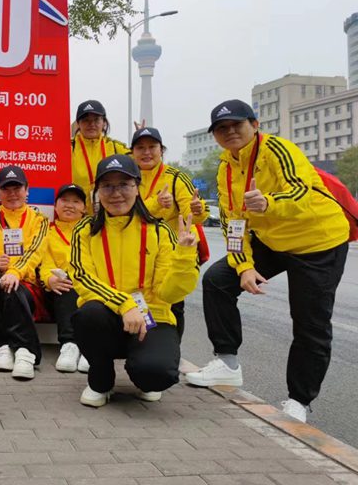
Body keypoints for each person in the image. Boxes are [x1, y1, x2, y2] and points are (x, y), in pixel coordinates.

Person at [185, 100, 350, 423]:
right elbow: (233, 223)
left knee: (310, 323)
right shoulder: (225, 167)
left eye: (237, 125)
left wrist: (269, 203)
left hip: (318, 241)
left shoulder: (277, 150)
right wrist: (244, 266)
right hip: (273, 241)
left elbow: (302, 191)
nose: (230, 132)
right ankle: (227, 363)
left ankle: (298, 401)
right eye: (221, 128)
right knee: (218, 280)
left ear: (255, 124)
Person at [69, 154, 199, 407]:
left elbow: (169, 293)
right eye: (107, 186)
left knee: (157, 375)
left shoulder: (160, 231)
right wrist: (125, 304)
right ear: (97, 192)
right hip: (107, 315)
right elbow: (82, 276)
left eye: (124, 185)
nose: (116, 193)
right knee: (88, 314)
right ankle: (101, 380)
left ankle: (142, 369)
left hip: (152, 318)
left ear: (137, 188)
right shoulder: (85, 230)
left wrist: (184, 256)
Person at [130, 126, 209, 338]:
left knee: (173, 303)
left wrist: (197, 209)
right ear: (132, 152)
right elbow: (126, 213)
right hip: (136, 251)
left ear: (161, 150)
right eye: (140, 148)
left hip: (171, 252)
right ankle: (141, 345)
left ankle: (171, 348)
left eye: (152, 147)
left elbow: (191, 215)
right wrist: (156, 203)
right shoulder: (127, 177)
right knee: (138, 300)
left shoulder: (175, 178)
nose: (147, 152)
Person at [0, 165, 49, 380]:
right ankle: (4, 348)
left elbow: (35, 252)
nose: (12, 193)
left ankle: (23, 351)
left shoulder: (39, 220)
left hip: (25, 286)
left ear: (27, 190)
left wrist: (14, 272)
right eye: (6, 189)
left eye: (17, 188)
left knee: (13, 288)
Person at [39, 184, 89, 373]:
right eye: (65, 200)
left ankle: (90, 347)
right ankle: (70, 345)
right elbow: (45, 264)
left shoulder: (92, 231)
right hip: (61, 291)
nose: (69, 205)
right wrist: (49, 280)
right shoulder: (47, 232)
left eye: (76, 201)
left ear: (84, 208)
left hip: (90, 288)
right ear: (56, 206)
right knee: (64, 280)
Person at [71, 100, 129, 210]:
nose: (91, 124)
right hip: (76, 212)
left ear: (104, 123)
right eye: (86, 120)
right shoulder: (68, 148)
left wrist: (139, 140)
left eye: (96, 120)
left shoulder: (116, 148)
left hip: (109, 212)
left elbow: (143, 163)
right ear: (78, 123)